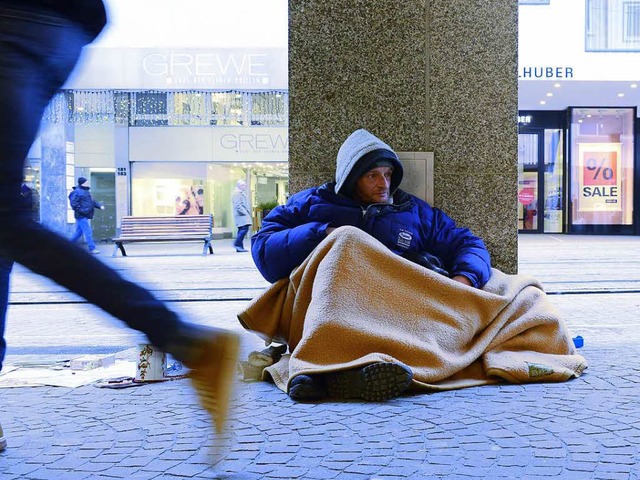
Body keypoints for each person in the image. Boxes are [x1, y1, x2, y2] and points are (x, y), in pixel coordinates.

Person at [0, 0, 239, 451]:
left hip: (16, 25)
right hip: (53, 30)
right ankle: (186, 340)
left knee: (4, 219)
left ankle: (187, 341)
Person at [248, 128, 493, 401]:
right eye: (372, 176)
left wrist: (464, 280)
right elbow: (264, 248)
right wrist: (323, 234)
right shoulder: (311, 204)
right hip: (330, 302)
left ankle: (330, 374)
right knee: (347, 238)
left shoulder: (414, 212)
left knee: (518, 293)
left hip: (389, 306)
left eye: (388, 175)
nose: (383, 184)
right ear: (352, 179)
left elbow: (467, 243)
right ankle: (324, 366)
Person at [69, 177, 104, 254]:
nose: (88, 183)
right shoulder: (77, 192)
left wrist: (99, 206)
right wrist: (83, 211)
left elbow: (92, 201)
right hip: (81, 215)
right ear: (82, 183)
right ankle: (92, 248)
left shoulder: (86, 191)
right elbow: (74, 204)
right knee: (88, 231)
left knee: (79, 232)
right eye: (86, 182)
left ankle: (67, 245)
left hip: (84, 214)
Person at [231, 180, 252, 253]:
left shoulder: (240, 193)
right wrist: (245, 212)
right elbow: (238, 205)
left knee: (242, 229)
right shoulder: (237, 193)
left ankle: (239, 247)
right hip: (241, 215)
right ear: (240, 186)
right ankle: (237, 243)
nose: (245, 187)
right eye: (243, 185)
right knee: (244, 229)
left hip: (242, 215)